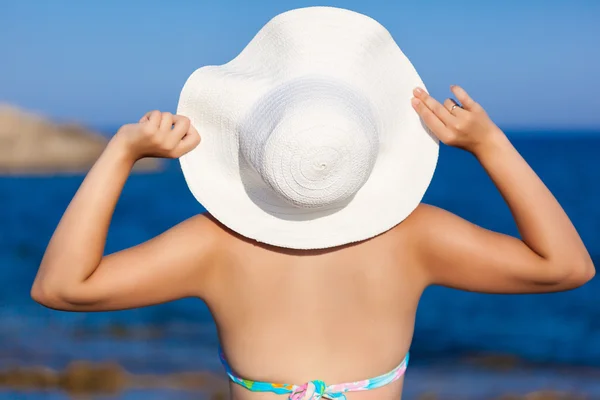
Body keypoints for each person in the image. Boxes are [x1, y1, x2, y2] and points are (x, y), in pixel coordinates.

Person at [31, 6, 594, 400]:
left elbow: (61, 287)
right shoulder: (417, 239)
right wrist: (489, 144)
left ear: (253, 147)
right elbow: (567, 267)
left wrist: (122, 152)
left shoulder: (214, 247)